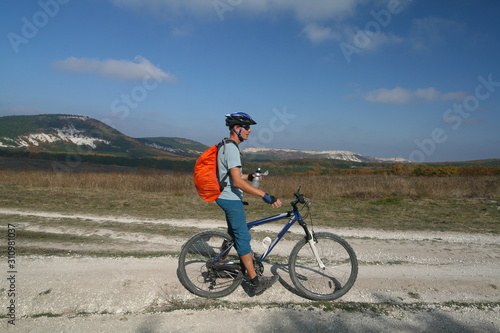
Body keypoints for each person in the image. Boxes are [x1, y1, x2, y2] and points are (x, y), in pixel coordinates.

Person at [216, 112, 282, 295]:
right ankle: (255, 281)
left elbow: (233, 176)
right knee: (243, 238)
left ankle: (220, 264)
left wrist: (250, 177)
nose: (250, 131)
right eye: (247, 128)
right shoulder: (232, 149)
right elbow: (237, 182)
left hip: (225, 195)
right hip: (230, 198)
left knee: (234, 234)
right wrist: (264, 195)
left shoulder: (225, 146)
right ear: (237, 129)